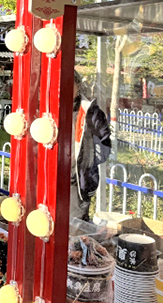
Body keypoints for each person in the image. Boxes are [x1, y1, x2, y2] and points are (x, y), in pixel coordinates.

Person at [71, 71, 112, 222]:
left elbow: (104, 147)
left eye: (69, 84)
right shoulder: (48, 110)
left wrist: (86, 163)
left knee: (74, 226)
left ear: (78, 86)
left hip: (76, 184)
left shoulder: (90, 112)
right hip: (49, 179)